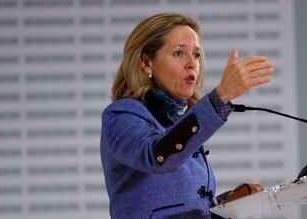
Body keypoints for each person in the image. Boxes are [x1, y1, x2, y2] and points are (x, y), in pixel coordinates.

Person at [100, 13, 274, 218]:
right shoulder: (122, 116)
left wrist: (229, 203)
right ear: (146, 63)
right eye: (178, 53)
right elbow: (157, 157)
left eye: (197, 54)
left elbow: (180, 206)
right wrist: (220, 97)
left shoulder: (178, 121)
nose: (192, 63)